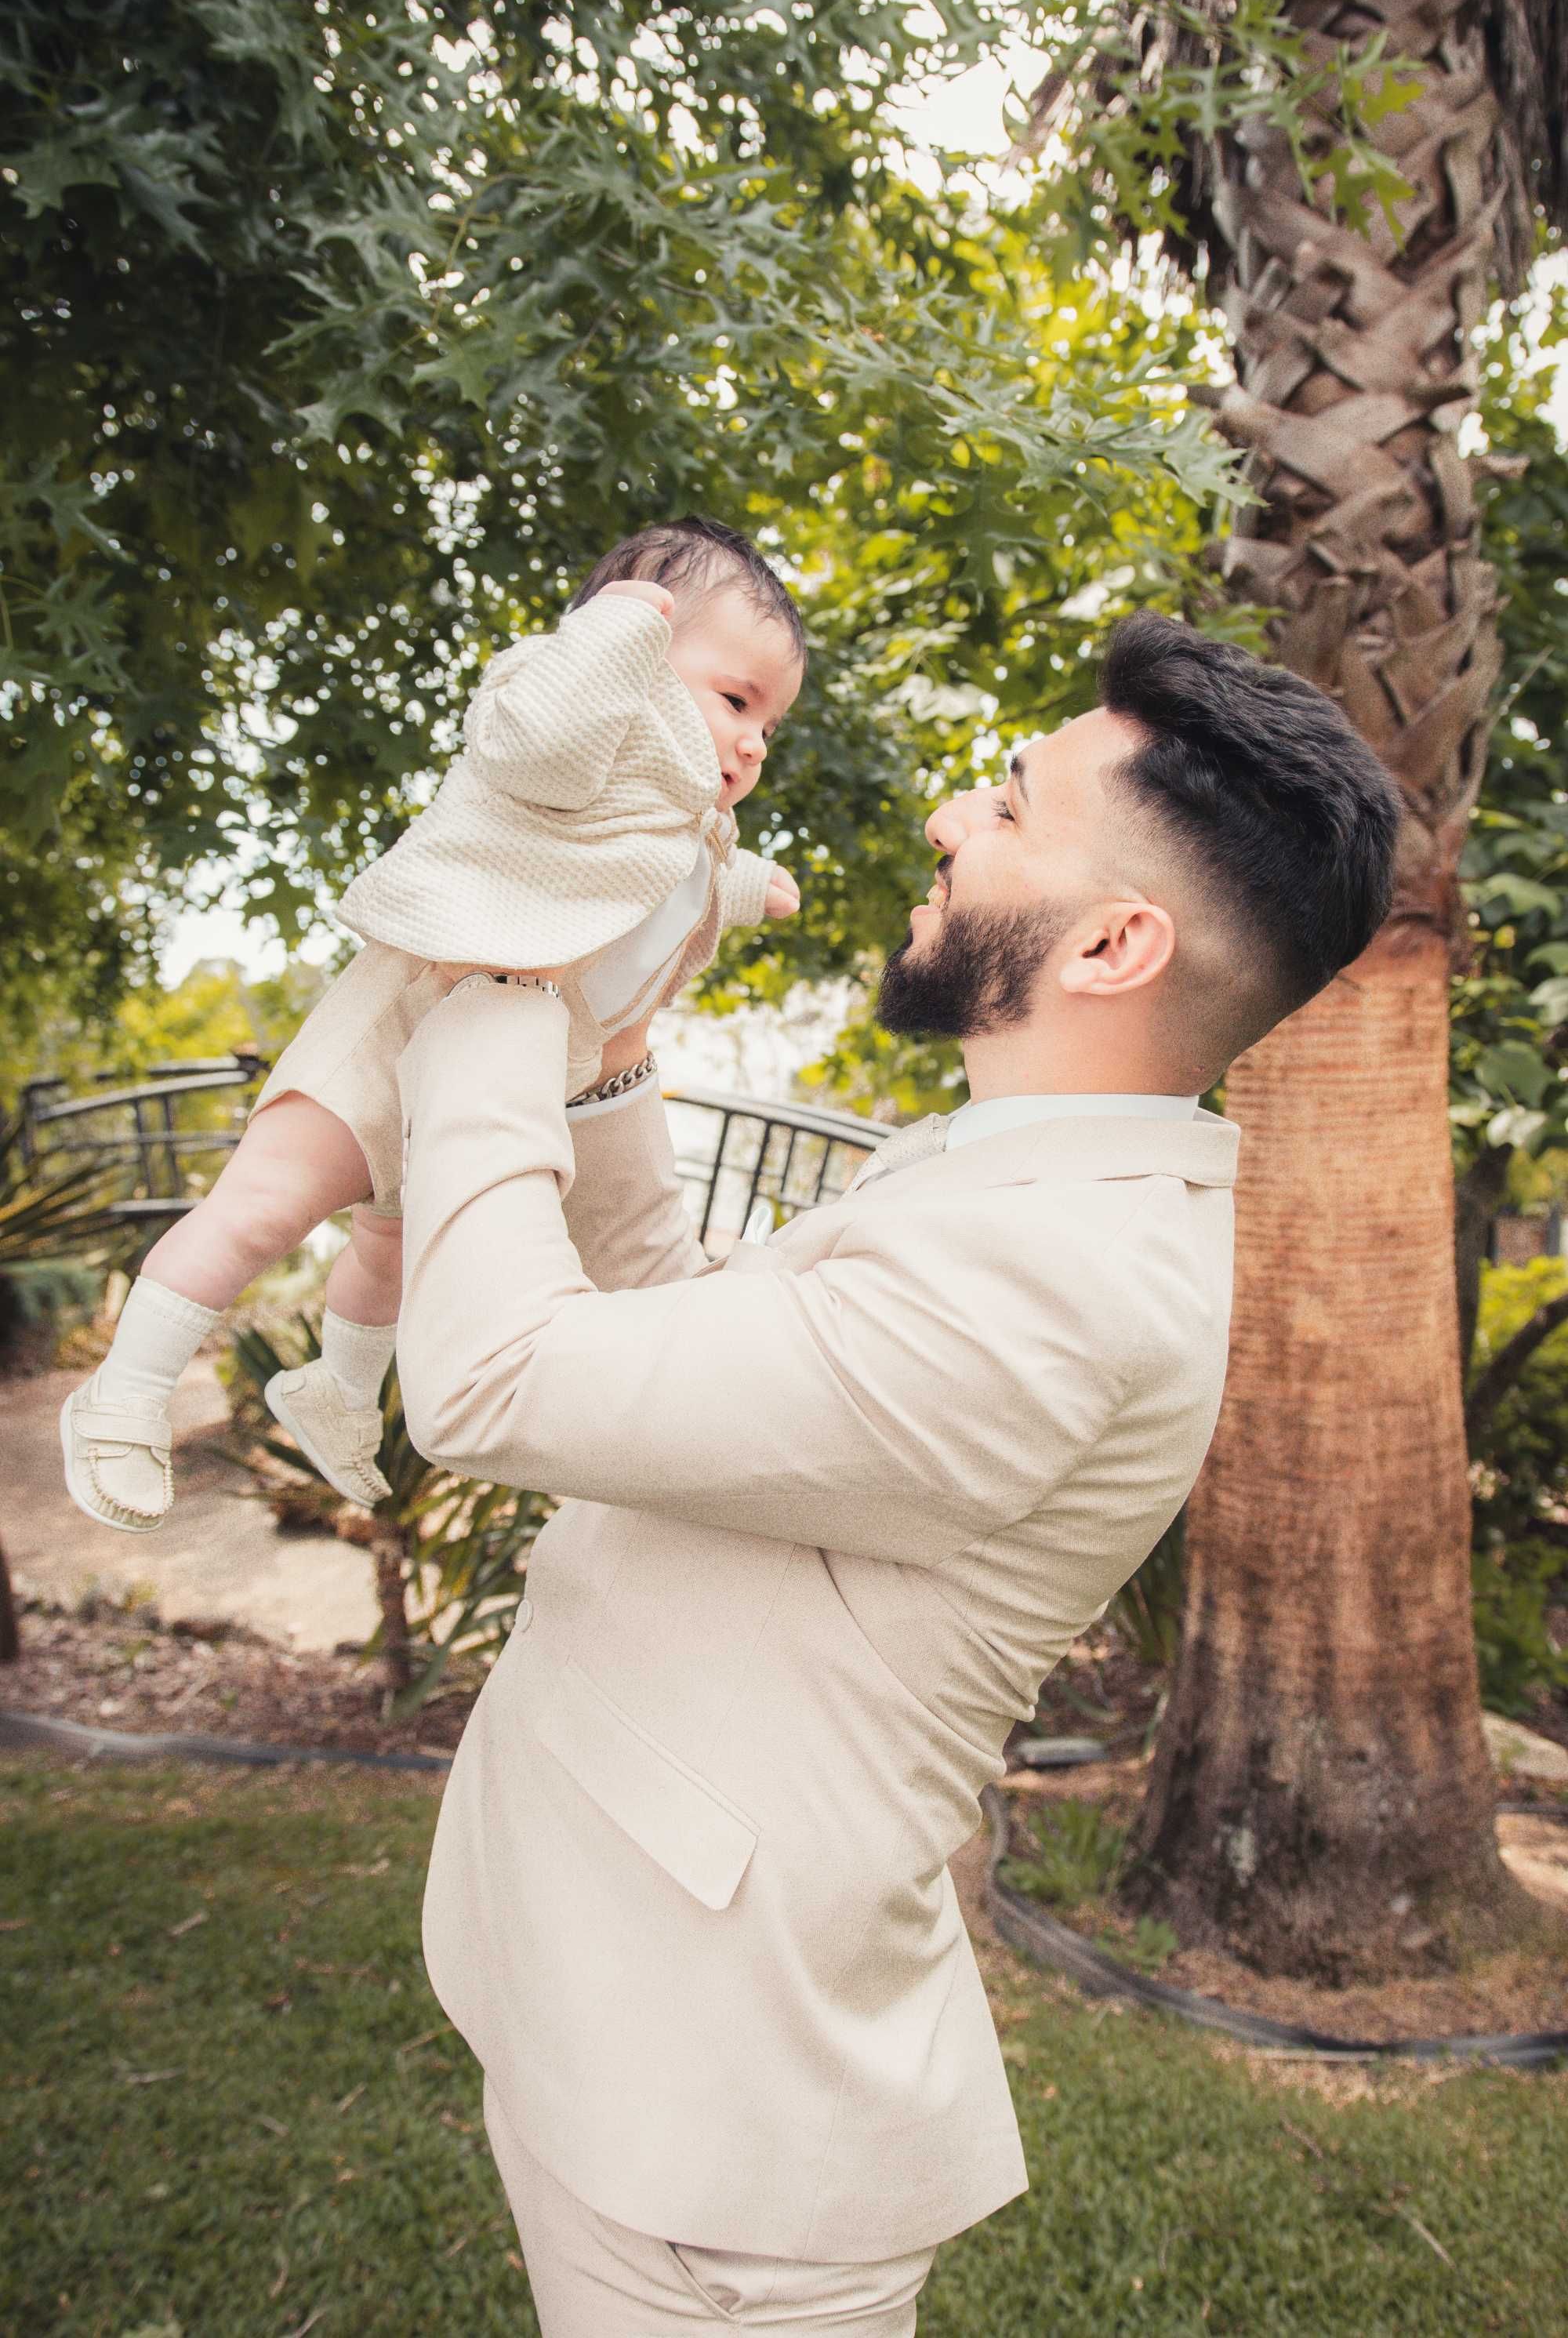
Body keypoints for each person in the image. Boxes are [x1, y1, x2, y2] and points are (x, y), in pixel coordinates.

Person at [404, 611, 1402, 2336]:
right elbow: (655, 1331)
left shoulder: (1058, 1287)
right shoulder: (1001, 1184)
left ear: (1112, 946)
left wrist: (498, 983)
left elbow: (496, 1379)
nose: (949, 815)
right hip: (624, 2021)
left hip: (722, 2155)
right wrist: (614, 1044)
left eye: (1009, 804)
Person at [59, 519, 804, 1533]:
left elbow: (670, 886)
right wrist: (607, 635)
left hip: (483, 1071)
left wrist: (750, 884)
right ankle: (125, 1391)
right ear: (629, 661)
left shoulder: (678, 826)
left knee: (393, 1247)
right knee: (263, 1212)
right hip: (402, 1020)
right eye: (735, 701)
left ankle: (336, 1389)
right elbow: (541, 744)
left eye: (771, 725)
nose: (755, 741)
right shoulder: (566, 733)